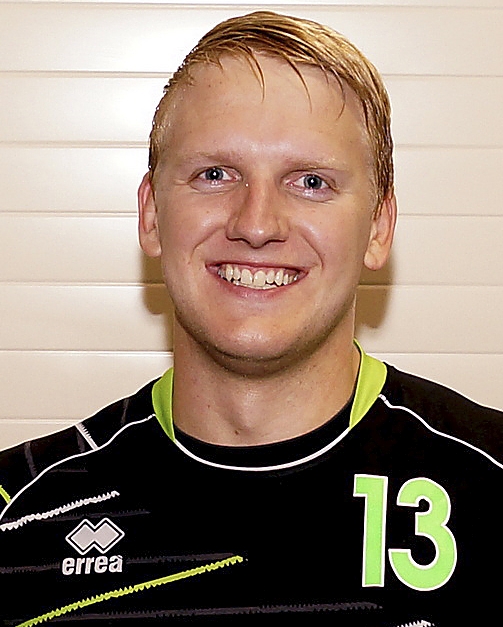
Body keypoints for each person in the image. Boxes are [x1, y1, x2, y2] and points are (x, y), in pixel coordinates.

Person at [0, 10, 501, 626]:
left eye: (311, 182)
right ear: (151, 215)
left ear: (378, 227)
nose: (257, 224)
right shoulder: (16, 511)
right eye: (215, 174)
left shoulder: (491, 482)